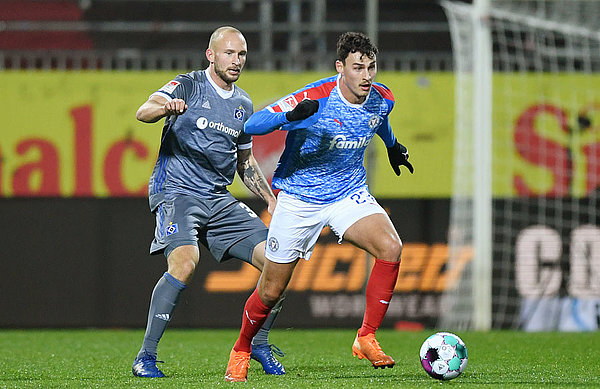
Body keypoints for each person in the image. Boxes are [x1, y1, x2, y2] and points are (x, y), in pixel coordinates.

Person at [224, 31, 414, 382]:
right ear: (340, 68)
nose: (367, 75)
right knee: (271, 290)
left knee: (391, 247)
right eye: (358, 68)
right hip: (299, 199)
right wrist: (291, 116)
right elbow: (251, 124)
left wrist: (392, 145)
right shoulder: (314, 98)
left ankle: (366, 337)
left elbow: (380, 120)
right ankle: (241, 348)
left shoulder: (381, 97)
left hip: (347, 192)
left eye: (371, 67)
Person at [132, 26, 287, 378]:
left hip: (218, 199)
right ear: (211, 55)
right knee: (185, 263)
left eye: (242, 54)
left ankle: (258, 344)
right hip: (177, 192)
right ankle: (146, 356)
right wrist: (164, 108)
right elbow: (144, 110)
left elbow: (244, 161)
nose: (236, 60)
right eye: (229, 53)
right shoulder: (188, 85)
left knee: (278, 264)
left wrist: (269, 199)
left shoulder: (244, 104)